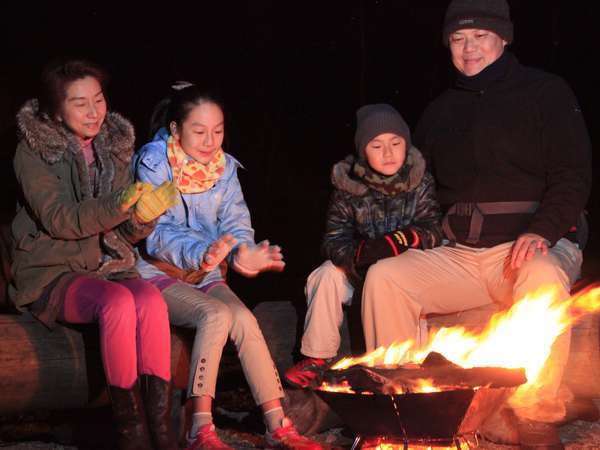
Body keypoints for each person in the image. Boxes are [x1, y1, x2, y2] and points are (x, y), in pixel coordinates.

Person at [360, 0, 591, 447]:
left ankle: (535, 414)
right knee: (386, 277)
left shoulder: (546, 93)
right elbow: (413, 189)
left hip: (532, 248)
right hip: (461, 254)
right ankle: (407, 409)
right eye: (458, 39)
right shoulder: (440, 112)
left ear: (503, 37)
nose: (469, 48)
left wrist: (542, 229)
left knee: (541, 275)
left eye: (480, 36)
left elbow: (573, 175)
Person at [133, 84, 323, 450]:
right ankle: (200, 429)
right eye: (199, 131)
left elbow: (235, 221)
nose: (210, 141)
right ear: (175, 129)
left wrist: (243, 252)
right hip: (157, 272)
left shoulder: (224, 167)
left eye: (217, 131)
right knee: (216, 316)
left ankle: (278, 426)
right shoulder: (154, 162)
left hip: (203, 271)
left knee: (245, 320)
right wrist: (204, 252)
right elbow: (156, 234)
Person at [10, 59, 179, 450]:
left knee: (151, 300)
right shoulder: (34, 152)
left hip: (104, 264)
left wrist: (143, 217)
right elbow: (60, 220)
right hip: (51, 268)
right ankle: (132, 434)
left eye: (99, 100)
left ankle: (163, 430)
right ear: (56, 110)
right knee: (118, 303)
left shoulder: (111, 148)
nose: (94, 112)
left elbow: (121, 229)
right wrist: (120, 204)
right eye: (80, 103)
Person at [284, 104, 443, 388]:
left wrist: (402, 240)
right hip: (361, 272)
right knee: (325, 274)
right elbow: (334, 239)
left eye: (396, 143)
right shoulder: (348, 188)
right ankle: (317, 358)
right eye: (377, 145)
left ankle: (402, 371)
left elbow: (433, 229)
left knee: (405, 362)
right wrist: (359, 255)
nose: (388, 152)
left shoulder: (420, 182)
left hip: (407, 278)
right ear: (363, 151)